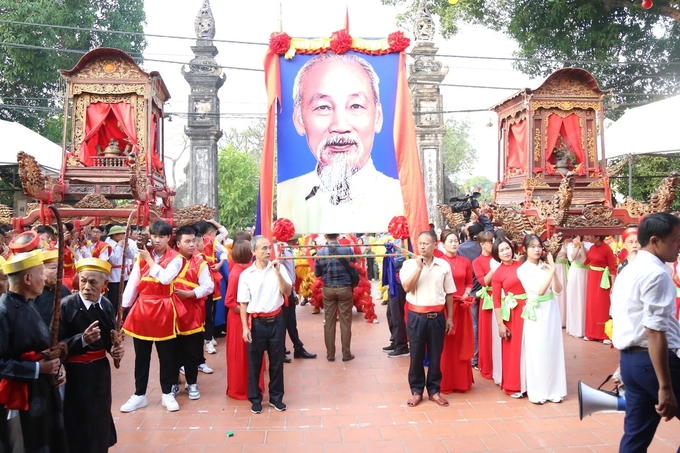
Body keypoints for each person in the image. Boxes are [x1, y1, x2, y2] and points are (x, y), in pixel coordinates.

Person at [277, 52, 404, 233]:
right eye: (323, 107)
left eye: (356, 106)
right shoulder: (283, 198)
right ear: (299, 119)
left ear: (377, 117)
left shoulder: (402, 199)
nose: (340, 126)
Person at [611, 212, 680, 452]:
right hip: (653, 362)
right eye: (674, 239)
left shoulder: (629, 269)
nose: (678, 245)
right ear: (654, 241)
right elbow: (655, 331)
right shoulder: (657, 274)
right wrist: (665, 386)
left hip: (631, 362)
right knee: (637, 432)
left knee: (636, 435)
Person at [0, 250, 67, 453]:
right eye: (40, 273)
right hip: (19, 395)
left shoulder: (29, 304)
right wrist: (38, 368)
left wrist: (56, 366)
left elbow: (41, 347)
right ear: (28, 278)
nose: (45, 278)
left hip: (41, 388)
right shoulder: (5, 311)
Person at [59, 257, 124, 453]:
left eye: (93, 282)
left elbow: (109, 341)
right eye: (83, 280)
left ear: (105, 284)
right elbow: (54, 346)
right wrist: (82, 340)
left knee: (100, 416)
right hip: (75, 373)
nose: (86, 287)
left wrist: (114, 351)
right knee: (77, 419)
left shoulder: (106, 306)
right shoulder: (66, 306)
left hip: (100, 372)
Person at [120, 220, 185, 413]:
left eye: (161, 236)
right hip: (142, 309)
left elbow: (165, 278)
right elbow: (133, 284)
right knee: (141, 356)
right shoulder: (141, 258)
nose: (157, 240)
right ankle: (139, 394)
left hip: (164, 309)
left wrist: (149, 259)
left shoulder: (176, 258)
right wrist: (122, 308)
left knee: (166, 356)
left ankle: (167, 393)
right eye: (154, 236)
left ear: (168, 238)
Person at [399, 230, 455, 407]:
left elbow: (449, 294)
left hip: (437, 316)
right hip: (416, 316)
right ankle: (416, 391)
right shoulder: (409, 265)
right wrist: (419, 268)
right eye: (420, 243)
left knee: (435, 355)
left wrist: (450, 317)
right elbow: (407, 288)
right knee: (415, 355)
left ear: (434, 245)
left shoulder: (443, 266)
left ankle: (434, 390)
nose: (422, 246)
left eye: (426, 243)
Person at [238, 236, 292, 414]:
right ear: (253, 252)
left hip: (276, 321)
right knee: (254, 363)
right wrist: (245, 327)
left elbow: (287, 292)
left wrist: (277, 273)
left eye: (269, 248)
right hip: (256, 323)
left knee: (277, 362)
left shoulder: (279, 268)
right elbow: (243, 303)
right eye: (263, 249)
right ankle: (255, 398)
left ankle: (276, 398)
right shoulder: (246, 275)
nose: (268, 251)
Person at [516, 235, 567, 405]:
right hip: (536, 313)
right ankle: (537, 391)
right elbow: (539, 291)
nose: (537, 250)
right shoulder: (522, 269)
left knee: (553, 348)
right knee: (537, 350)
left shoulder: (546, 267)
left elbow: (558, 290)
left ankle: (555, 389)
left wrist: (553, 272)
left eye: (539, 246)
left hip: (551, 310)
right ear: (525, 249)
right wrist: (551, 270)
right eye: (532, 247)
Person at [171, 226, 214, 401]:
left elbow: (208, 286)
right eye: (187, 241)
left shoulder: (200, 262)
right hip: (172, 313)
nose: (191, 245)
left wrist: (189, 294)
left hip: (192, 313)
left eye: (193, 241)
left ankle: (192, 382)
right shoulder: (170, 261)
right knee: (171, 351)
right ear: (178, 243)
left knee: (191, 351)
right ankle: (173, 382)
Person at [225, 240, 264, 400]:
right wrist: (248, 312)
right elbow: (229, 301)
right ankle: (241, 389)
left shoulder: (244, 270)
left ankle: (250, 387)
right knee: (241, 356)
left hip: (243, 317)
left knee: (249, 355)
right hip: (238, 320)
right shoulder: (237, 274)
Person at [439, 230, 474, 393]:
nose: (454, 244)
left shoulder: (465, 261)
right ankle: (445, 382)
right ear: (443, 243)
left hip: (461, 306)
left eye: (456, 241)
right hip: (445, 308)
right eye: (450, 241)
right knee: (446, 344)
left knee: (462, 343)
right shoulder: (438, 261)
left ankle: (461, 382)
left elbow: (469, 282)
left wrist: (466, 294)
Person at [491, 237, 526, 398]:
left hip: (530, 309)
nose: (506, 252)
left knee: (528, 348)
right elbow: (496, 301)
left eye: (507, 248)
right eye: (501, 250)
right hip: (512, 313)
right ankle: (513, 385)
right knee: (513, 350)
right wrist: (500, 324)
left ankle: (529, 383)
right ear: (497, 254)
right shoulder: (498, 273)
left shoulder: (522, 266)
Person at [314, 233, 356, 362]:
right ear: (338, 235)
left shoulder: (319, 253)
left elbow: (317, 273)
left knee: (329, 322)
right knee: (345, 322)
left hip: (328, 289)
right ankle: (346, 353)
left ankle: (330, 354)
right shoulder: (348, 249)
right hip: (345, 288)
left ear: (326, 236)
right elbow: (354, 265)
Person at [279, 239, 317, 361]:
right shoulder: (279, 249)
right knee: (283, 322)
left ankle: (297, 348)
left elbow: (291, 274)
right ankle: (281, 351)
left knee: (291, 322)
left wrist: (294, 292)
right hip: (282, 290)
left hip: (289, 289)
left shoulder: (288, 250)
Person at [472, 231, 499, 381]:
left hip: (502, 297)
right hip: (488, 298)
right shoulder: (477, 262)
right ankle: (487, 364)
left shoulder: (499, 257)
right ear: (482, 244)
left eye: (493, 240)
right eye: (490, 241)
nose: (492, 243)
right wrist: (494, 268)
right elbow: (483, 282)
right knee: (487, 332)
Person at [585, 235, 617, 343]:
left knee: (602, 306)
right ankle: (590, 333)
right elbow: (586, 261)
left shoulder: (607, 249)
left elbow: (613, 268)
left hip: (603, 279)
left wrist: (613, 285)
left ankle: (604, 334)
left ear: (598, 237)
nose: (588, 237)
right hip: (592, 278)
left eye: (591, 236)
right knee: (591, 305)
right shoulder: (592, 248)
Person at [32, 249, 70, 327]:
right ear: (41, 271)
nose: (59, 271)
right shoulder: (33, 293)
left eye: (61, 267)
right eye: (53, 268)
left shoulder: (65, 290)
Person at [105, 224, 137, 311]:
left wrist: (126, 245)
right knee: (114, 300)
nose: (123, 236)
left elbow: (131, 255)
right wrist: (119, 247)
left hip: (125, 276)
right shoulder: (108, 245)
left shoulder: (124, 242)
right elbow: (113, 261)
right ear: (115, 235)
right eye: (121, 234)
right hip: (114, 277)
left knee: (124, 299)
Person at [566, 236, 590, 338]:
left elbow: (587, 259)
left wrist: (582, 246)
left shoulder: (588, 244)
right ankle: (575, 328)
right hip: (575, 272)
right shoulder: (570, 246)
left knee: (584, 299)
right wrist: (577, 247)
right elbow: (572, 258)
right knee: (575, 299)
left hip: (585, 272)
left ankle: (585, 328)